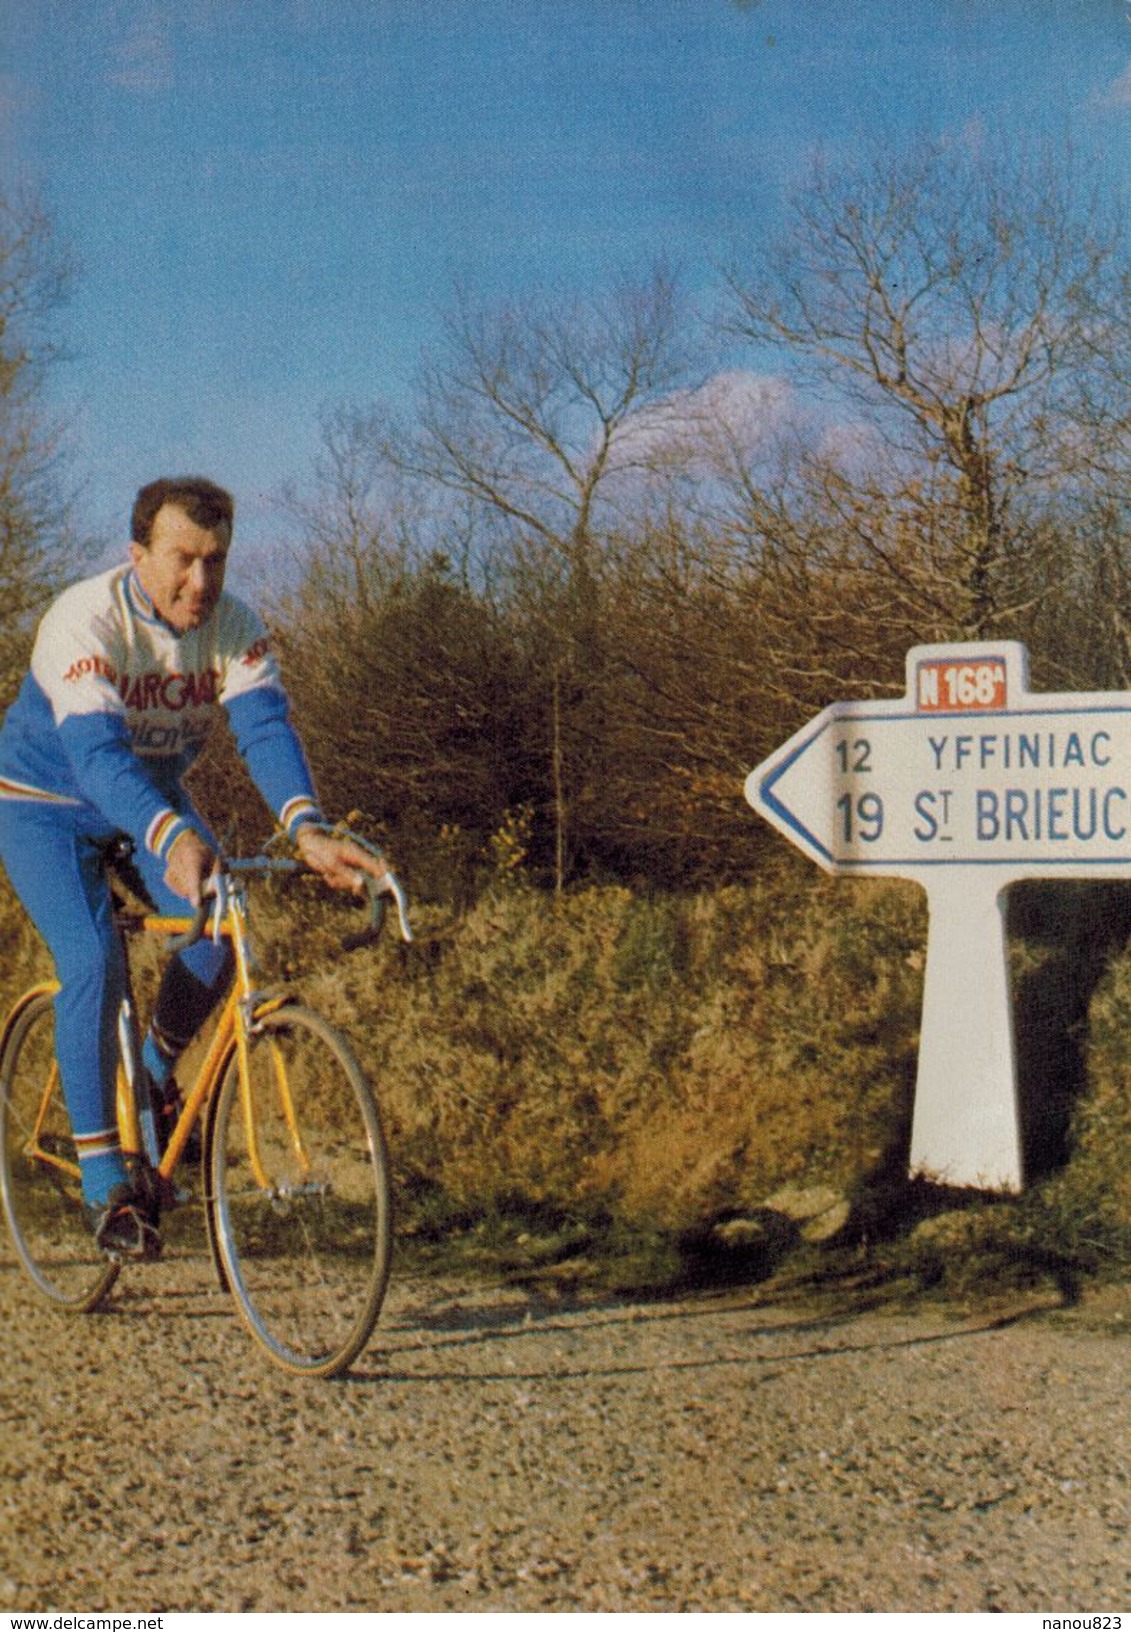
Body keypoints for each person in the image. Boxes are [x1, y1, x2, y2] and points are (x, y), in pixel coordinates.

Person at [0, 476, 388, 1257]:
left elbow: (265, 729)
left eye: (216, 560)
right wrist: (172, 834)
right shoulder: (85, 619)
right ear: (137, 553)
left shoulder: (232, 626)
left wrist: (308, 829)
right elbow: (98, 756)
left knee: (224, 919)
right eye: (182, 559)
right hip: (41, 803)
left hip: (146, 798)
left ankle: (150, 1070)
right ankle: (103, 1178)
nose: (201, 582)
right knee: (92, 962)